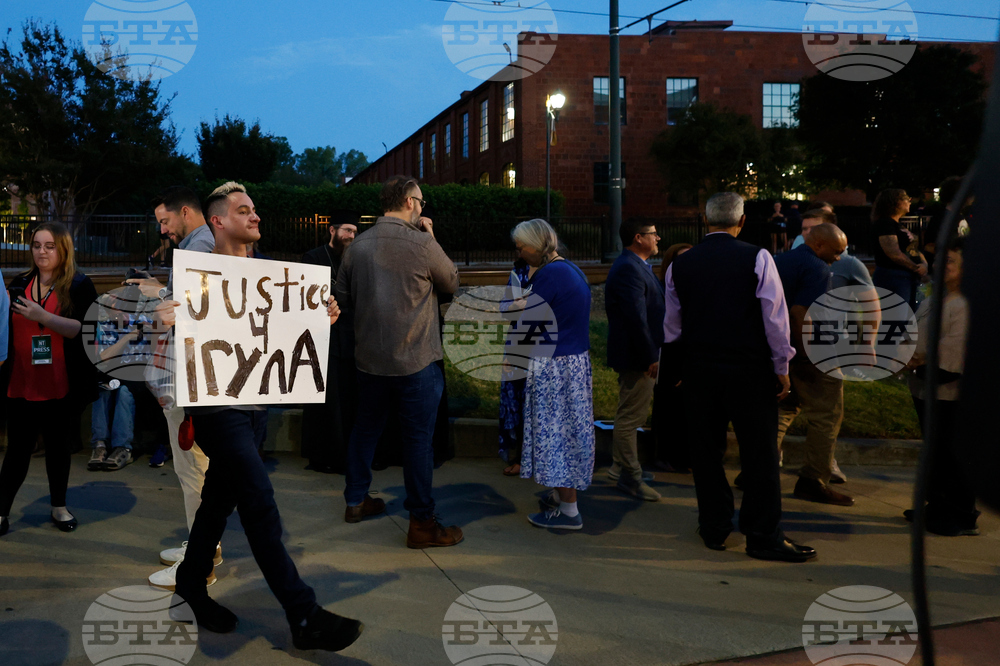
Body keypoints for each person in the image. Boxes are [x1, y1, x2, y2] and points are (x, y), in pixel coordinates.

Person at [155, 181, 363, 650]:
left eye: (254, 210)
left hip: (253, 406)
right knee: (259, 502)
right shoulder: (195, 274)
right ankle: (303, 613)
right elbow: (160, 322)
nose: (255, 217)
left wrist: (322, 313)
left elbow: (291, 327)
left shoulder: (272, 274)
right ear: (218, 221)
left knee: (217, 502)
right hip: (214, 406)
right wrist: (161, 316)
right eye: (243, 210)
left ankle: (189, 587)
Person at [663, 192, 817, 562]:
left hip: (700, 368)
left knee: (706, 451)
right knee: (759, 453)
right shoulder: (757, 257)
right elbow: (774, 319)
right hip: (748, 368)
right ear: (742, 221)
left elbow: (671, 327)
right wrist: (782, 367)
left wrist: (676, 370)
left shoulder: (680, 264)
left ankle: (714, 526)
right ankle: (762, 534)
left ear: (706, 220)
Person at [336, 176, 462, 548]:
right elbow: (451, 281)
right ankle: (422, 523)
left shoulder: (356, 247)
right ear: (409, 202)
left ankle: (355, 501)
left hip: (369, 361)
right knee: (417, 441)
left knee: (365, 429)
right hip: (416, 360)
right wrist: (432, 237)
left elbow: (343, 297)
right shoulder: (422, 243)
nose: (423, 208)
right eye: (421, 202)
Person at [132, 186, 220, 589]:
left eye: (165, 221)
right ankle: (204, 547)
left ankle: (201, 560)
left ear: (186, 212)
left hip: (188, 378)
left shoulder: (198, 247)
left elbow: (190, 308)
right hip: (196, 375)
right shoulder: (203, 245)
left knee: (191, 469)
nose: (163, 230)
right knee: (195, 467)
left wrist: (156, 295)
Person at [0, 222, 95, 537]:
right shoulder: (19, 283)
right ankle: (1, 511)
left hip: (60, 382)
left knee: (58, 447)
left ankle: (59, 506)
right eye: (37, 245)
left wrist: (43, 317)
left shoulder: (79, 285)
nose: (41, 251)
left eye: (49, 246)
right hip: (21, 380)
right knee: (17, 450)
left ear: (63, 249)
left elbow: (82, 328)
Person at [510, 219, 594, 530]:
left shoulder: (550, 276)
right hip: (572, 363)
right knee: (569, 431)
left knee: (555, 434)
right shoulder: (569, 269)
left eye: (522, 246)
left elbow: (529, 327)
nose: (519, 252)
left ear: (538, 244)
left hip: (554, 367)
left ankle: (569, 511)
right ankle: (564, 499)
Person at [774, 223, 854, 507]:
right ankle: (813, 480)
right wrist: (807, 355)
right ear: (819, 245)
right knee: (827, 414)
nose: (839, 258)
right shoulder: (818, 268)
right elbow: (800, 313)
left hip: (779, 351)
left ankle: (759, 472)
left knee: (784, 408)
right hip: (810, 351)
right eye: (836, 251)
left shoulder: (779, 260)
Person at [906, 239, 978, 536]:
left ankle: (957, 514)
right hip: (926, 390)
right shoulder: (935, 298)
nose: (938, 265)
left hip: (949, 395)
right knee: (935, 451)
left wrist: (918, 363)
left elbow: (952, 361)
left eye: (949, 261)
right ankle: (936, 505)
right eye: (938, 260)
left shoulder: (965, 305)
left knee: (952, 455)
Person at [604, 218, 664, 502]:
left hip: (635, 353)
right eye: (653, 234)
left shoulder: (634, 265)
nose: (658, 238)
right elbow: (635, 317)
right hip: (637, 356)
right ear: (639, 237)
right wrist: (650, 355)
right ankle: (631, 476)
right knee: (631, 418)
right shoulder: (629, 268)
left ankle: (620, 468)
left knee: (628, 412)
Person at [299, 213, 359, 474]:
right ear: (332, 230)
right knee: (324, 400)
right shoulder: (313, 258)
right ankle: (322, 456)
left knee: (348, 399)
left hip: (352, 339)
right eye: (347, 230)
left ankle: (346, 455)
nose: (351, 236)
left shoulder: (355, 259)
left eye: (355, 232)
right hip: (323, 338)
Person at [652, 243, 692, 473]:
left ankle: (682, 456)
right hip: (671, 351)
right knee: (669, 406)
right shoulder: (666, 288)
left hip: (687, 349)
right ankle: (665, 455)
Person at [499, 257, 530, 477]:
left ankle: (535, 458)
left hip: (544, 344)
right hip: (518, 344)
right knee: (518, 400)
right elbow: (504, 307)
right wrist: (513, 306)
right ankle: (520, 457)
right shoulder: (518, 273)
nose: (518, 249)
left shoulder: (552, 272)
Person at [871, 188, 927, 309]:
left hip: (907, 277)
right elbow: (893, 252)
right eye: (907, 199)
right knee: (897, 320)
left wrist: (924, 264)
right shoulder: (885, 224)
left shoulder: (897, 225)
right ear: (896, 202)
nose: (910, 202)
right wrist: (916, 268)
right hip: (894, 277)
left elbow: (913, 249)